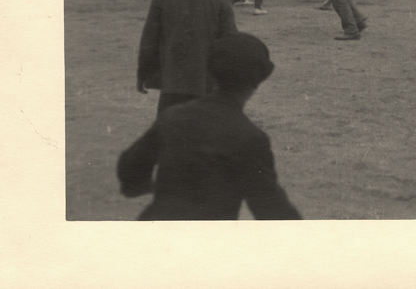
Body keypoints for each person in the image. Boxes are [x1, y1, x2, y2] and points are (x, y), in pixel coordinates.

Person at [118, 32, 302, 220]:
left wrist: (150, 188)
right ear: (261, 78)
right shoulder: (249, 138)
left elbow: (129, 166)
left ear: (210, 71)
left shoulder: (173, 116)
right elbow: (271, 208)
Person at [136, 0, 238, 114]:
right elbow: (230, 45)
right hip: (206, 84)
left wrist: (143, 75)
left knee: (170, 136)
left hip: (172, 83)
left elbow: (149, 41)